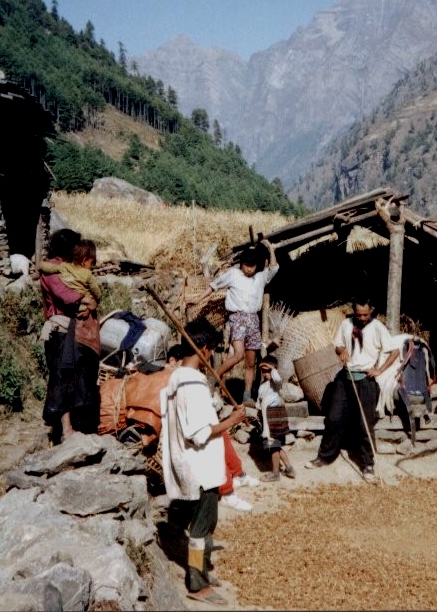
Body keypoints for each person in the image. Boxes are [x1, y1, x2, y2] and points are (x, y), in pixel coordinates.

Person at [161, 319, 248, 604]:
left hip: (188, 465)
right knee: (202, 528)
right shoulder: (192, 385)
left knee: (201, 525)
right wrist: (232, 421)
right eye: (211, 349)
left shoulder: (177, 377)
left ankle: (203, 571)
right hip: (200, 469)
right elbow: (200, 434)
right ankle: (197, 583)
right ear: (205, 349)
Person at [304, 297, 399, 483]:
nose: (362, 318)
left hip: (366, 380)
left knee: (365, 424)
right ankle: (325, 456)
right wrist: (341, 351)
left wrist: (379, 369)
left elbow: (394, 352)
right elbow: (338, 345)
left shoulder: (378, 327)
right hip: (345, 377)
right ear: (353, 311)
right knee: (333, 419)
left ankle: (368, 464)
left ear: (371, 310)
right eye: (358, 314)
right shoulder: (346, 324)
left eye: (365, 314)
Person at [191, 241, 278, 406]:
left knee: (251, 362)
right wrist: (198, 299)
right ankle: (213, 378)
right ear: (241, 264)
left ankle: (247, 396)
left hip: (253, 320)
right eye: (247, 266)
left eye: (253, 266)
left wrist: (271, 250)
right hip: (237, 318)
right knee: (238, 354)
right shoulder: (233, 274)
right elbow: (213, 286)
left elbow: (274, 269)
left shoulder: (260, 278)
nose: (250, 269)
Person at [39, 229, 99, 441]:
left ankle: (77, 425)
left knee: (78, 376)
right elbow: (66, 297)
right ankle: (65, 430)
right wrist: (88, 299)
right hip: (61, 330)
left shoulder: (70, 267)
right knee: (63, 377)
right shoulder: (52, 271)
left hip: (76, 329)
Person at [39, 238, 102, 353]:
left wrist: (40, 265)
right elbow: (67, 295)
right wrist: (92, 301)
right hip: (65, 323)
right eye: (92, 262)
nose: (92, 266)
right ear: (84, 260)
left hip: (77, 314)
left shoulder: (63, 267)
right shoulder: (87, 274)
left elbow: (47, 267)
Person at [256, 354, 294, 482]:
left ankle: (275, 473)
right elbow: (259, 401)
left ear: (273, 370)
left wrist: (272, 369)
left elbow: (277, 378)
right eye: (263, 371)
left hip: (276, 416)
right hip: (267, 417)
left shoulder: (275, 384)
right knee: (276, 445)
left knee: (274, 446)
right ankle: (289, 468)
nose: (265, 373)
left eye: (268, 370)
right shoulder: (262, 386)